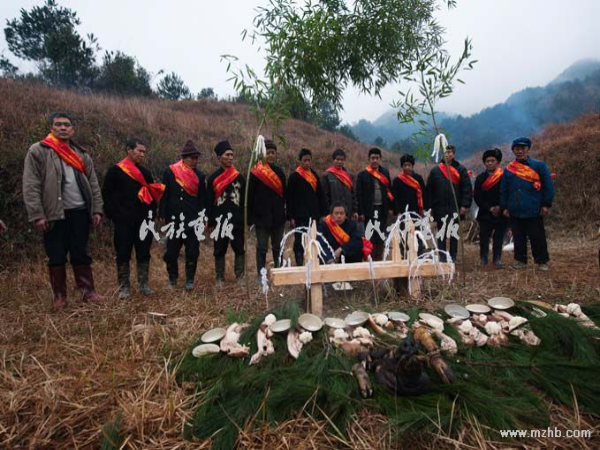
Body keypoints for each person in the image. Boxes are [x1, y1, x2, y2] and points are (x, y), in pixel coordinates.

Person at [23, 112, 104, 310]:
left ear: (72, 130)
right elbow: (31, 184)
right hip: (54, 214)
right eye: (58, 124)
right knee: (56, 255)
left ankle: (87, 291)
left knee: (80, 253)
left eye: (66, 125)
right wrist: (37, 214)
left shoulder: (81, 154)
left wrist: (97, 210)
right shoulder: (39, 150)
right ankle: (60, 296)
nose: (62, 128)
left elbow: (93, 183)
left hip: (80, 211)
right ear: (51, 128)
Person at [102, 138, 164, 298]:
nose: (142, 154)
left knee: (144, 252)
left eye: (144, 152)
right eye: (139, 151)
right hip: (123, 221)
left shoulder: (145, 173)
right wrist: (115, 215)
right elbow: (106, 195)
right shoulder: (115, 171)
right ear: (129, 150)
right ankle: (124, 287)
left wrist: (151, 216)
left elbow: (151, 196)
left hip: (144, 221)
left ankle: (144, 285)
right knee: (123, 252)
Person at [500, 137, 554, 270]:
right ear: (513, 150)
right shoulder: (509, 169)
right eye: (517, 149)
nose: (520, 151)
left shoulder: (539, 166)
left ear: (528, 149)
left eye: (522, 148)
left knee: (537, 236)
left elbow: (548, 186)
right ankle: (520, 261)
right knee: (518, 237)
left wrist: (546, 204)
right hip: (515, 208)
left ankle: (541, 262)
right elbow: (504, 190)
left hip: (533, 207)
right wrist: (504, 207)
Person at [159, 140, 206, 290]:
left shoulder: (199, 175)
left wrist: (203, 218)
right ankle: (172, 279)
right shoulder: (170, 172)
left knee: (192, 252)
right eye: (192, 158)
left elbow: (202, 199)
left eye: (196, 158)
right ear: (184, 158)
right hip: (174, 220)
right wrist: (162, 212)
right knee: (171, 253)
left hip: (193, 220)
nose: (195, 161)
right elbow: (164, 194)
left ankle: (190, 280)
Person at [206, 140, 245, 286]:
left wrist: (244, 219)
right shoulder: (213, 178)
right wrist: (210, 221)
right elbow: (209, 202)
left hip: (237, 220)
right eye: (227, 155)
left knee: (239, 249)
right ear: (219, 157)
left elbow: (244, 201)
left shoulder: (239, 177)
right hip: (219, 222)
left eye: (231, 155)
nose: (230, 158)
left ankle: (240, 276)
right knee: (219, 249)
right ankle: (219, 278)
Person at [426, 145, 472, 262]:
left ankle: (453, 256)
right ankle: (442, 256)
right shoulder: (435, 171)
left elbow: (466, 188)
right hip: (439, 207)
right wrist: (429, 207)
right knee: (441, 232)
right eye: (445, 152)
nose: (447, 154)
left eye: (449, 152)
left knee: (453, 233)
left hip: (455, 207)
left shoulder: (461, 170)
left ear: (453, 154)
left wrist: (465, 205)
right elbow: (429, 190)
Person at [248, 139, 286, 276]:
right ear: (262, 154)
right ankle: (261, 273)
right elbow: (250, 196)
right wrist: (250, 217)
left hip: (278, 217)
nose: (270, 155)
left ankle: (278, 271)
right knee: (262, 247)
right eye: (268, 152)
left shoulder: (280, 172)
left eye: (273, 153)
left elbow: (285, 195)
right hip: (261, 217)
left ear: (276, 155)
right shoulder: (255, 172)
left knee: (278, 246)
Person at [286, 148, 325, 266]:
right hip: (299, 215)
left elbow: (320, 195)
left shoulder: (314, 175)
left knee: (313, 239)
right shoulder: (294, 176)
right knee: (299, 240)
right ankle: (299, 263)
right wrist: (290, 216)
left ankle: (312, 263)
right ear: (300, 161)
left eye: (309, 160)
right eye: (305, 160)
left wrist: (323, 213)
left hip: (313, 214)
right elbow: (289, 198)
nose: (307, 163)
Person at [356, 147, 394, 261]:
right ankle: (370, 259)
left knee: (381, 235)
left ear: (380, 159)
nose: (375, 160)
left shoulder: (385, 172)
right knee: (370, 235)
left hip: (382, 209)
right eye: (373, 158)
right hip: (369, 210)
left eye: (377, 158)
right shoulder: (362, 175)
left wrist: (391, 208)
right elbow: (359, 195)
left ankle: (379, 259)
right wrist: (361, 212)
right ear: (369, 159)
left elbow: (389, 191)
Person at [474, 148, 508, 267]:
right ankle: (483, 258)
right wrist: (490, 208)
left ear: (497, 162)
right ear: (484, 163)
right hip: (485, 212)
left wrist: (500, 207)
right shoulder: (480, 178)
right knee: (484, 237)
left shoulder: (504, 177)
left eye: (492, 161)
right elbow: (477, 197)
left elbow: (506, 193)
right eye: (487, 161)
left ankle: (497, 258)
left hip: (501, 212)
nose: (489, 163)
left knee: (499, 237)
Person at [322, 148, 357, 220]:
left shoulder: (349, 175)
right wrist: (327, 212)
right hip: (333, 213)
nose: (340, 162)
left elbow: (353, 194)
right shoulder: (327, 175)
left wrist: (355, 210)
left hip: (347, 212)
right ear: (333, 160)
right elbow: (325, 196)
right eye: (337, 159)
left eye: (342, 160)